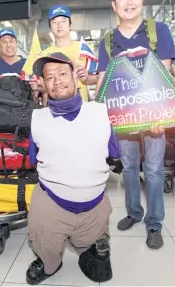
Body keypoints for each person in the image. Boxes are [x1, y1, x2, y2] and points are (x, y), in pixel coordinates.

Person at [96, 0, 175, 249]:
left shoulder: (158, 31)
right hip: (124, 116)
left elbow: (164, 75)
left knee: (153, 169)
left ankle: (154, 223)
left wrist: (160, 116)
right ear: (114, 5)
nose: (129, 1)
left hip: (153, 115)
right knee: (129, 167)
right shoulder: (107, 41)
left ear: (142, 0)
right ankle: (133, 212)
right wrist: (100, 113)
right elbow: (105, 80)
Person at [26, 52, 121, 285]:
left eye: (62, 73)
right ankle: (50, 261)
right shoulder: (37, 119)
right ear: (44, 84)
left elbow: (117, 156)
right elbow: (33, 162)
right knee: (48, 259)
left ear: (75, 76)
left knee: (101, 270)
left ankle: (90, 243)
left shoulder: (100, 112)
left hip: (93, 205)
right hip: (53, 204)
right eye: (49, 77)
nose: (56, 80)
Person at [29, 5, 98, 102]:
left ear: (70, 25)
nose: (59, 25)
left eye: (63, 21)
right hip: (54, 108)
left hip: (81, 106)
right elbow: (43, 86)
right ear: (50, 26)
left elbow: (98, 77)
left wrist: (86, 78)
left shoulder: (82, 48)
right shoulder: (43, 56)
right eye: (55, 22)